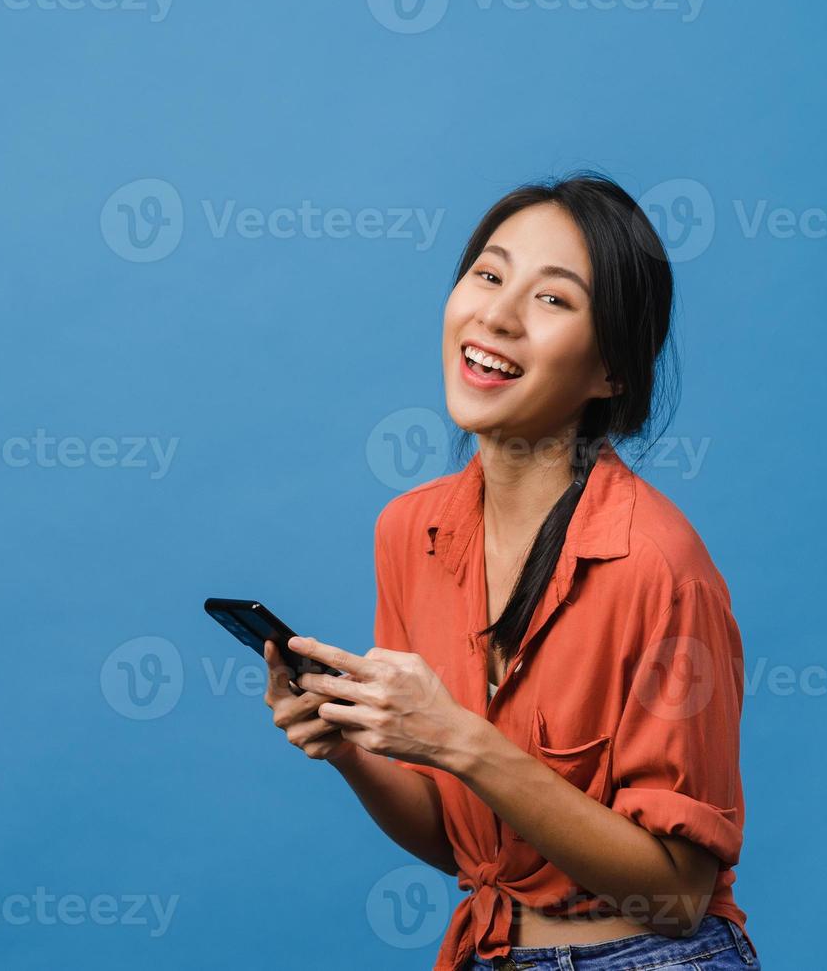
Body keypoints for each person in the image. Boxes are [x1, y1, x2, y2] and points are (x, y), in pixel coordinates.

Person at [263, 172, 759, 970]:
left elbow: (676, 899)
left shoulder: (661, 569)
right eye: (489, 276)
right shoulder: (410, 532)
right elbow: (468, 847)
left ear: (612, 373)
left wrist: (462, 741)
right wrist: (352, 747)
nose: (495, 315)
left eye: (553, 300)